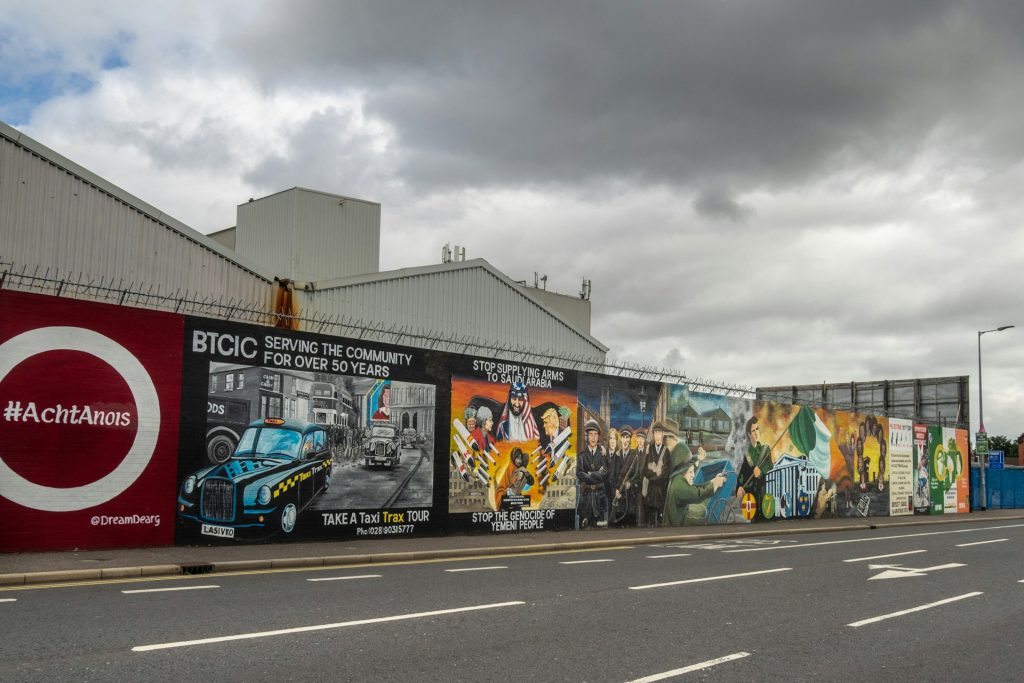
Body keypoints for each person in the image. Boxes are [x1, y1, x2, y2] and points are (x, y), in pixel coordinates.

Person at [577, 419, 609, 528]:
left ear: (598, 436)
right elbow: (580, 474)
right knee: (583, 531)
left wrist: (590, 474)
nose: (593, 437)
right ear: (587, 436)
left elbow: (604, 473)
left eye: (595, 434)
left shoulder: (602, 453)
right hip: (586, 500)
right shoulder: (582, 455)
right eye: (591, 434)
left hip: (599, 499)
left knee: (600, 530)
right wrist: (596, 474)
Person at [739, 416, 773, 520]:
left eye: (757, 429)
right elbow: (742, 474)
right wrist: (739, 487)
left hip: (763, 493)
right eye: (753, 431)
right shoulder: (747, 454)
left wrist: (761, 471)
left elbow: (770, 466)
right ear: (749, 434)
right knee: (753, 520)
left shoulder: (765, 450)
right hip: (750, 496)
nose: (756, 432)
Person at [641, 419, 673, 527]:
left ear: (662, 434)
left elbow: (665, 474)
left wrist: (653, 476)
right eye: (655, 433)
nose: (658, 436)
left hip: (661, 489)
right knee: (650, 519)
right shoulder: (649, 450)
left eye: (659, 433)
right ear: (653, 435)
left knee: (660, 522)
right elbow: (646, 470)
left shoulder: (666, 452)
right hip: (651, 490)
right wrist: (656, 475)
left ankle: (659, 521)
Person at [610, 425, 641, 526]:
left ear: (630, 439)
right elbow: (612, 478)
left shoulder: (635, 457)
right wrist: (615, 490)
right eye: (623, 437)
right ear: (621, 439)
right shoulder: (616, 456)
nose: (625, 440)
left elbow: (638, 479)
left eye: (627, 437)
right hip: (618, 500)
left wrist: (630, 484)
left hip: (630, 502)